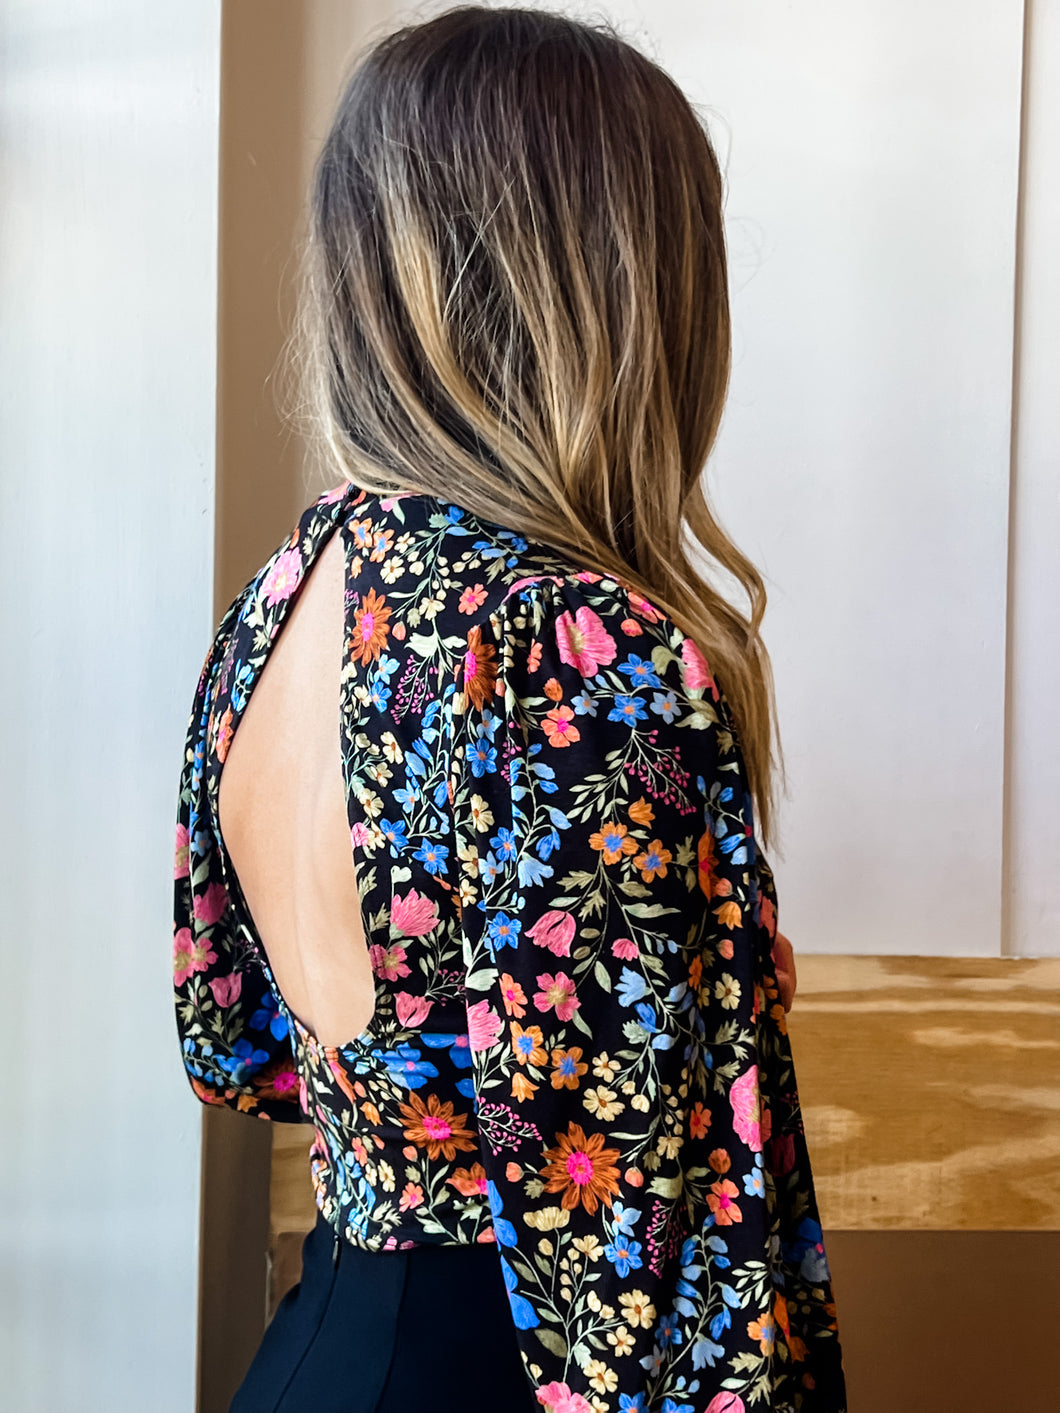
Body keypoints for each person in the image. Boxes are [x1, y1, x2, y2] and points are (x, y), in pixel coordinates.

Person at [172, 7, 847, 1411]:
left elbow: (233, 1040)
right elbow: (639, 1283)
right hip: (508, 1377)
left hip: (325, 1347)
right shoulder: (573, 648)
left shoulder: (288, 593)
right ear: (615, 296)